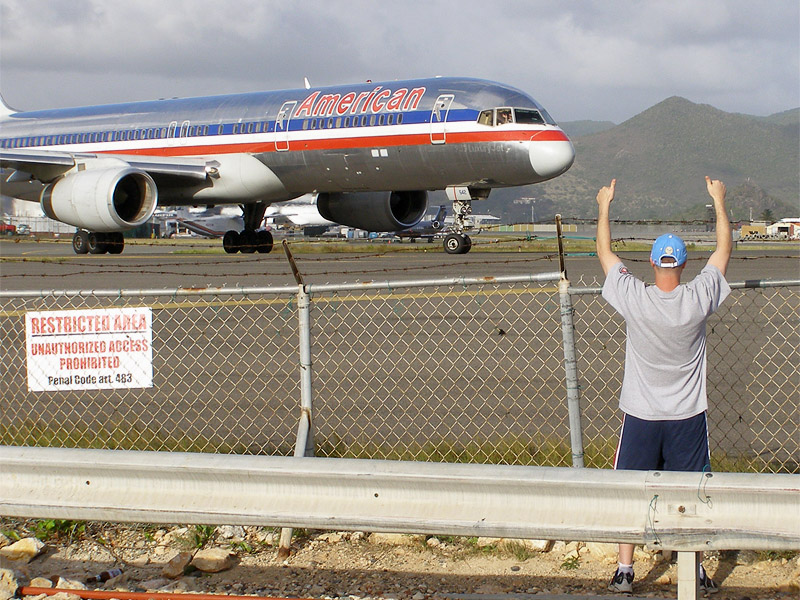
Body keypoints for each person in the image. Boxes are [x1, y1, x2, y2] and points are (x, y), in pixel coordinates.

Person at [595, 176, 732, 595]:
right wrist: (718, 200)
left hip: (641, 413)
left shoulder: (635, 297)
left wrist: (604, 206)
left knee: (630, 491)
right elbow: (723, 251)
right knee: (692, 493)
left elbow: (605, 253)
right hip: (687, 416)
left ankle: (625, 569)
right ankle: (696, 568)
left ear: (653, 263)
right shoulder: (697, 299)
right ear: (684, 265)